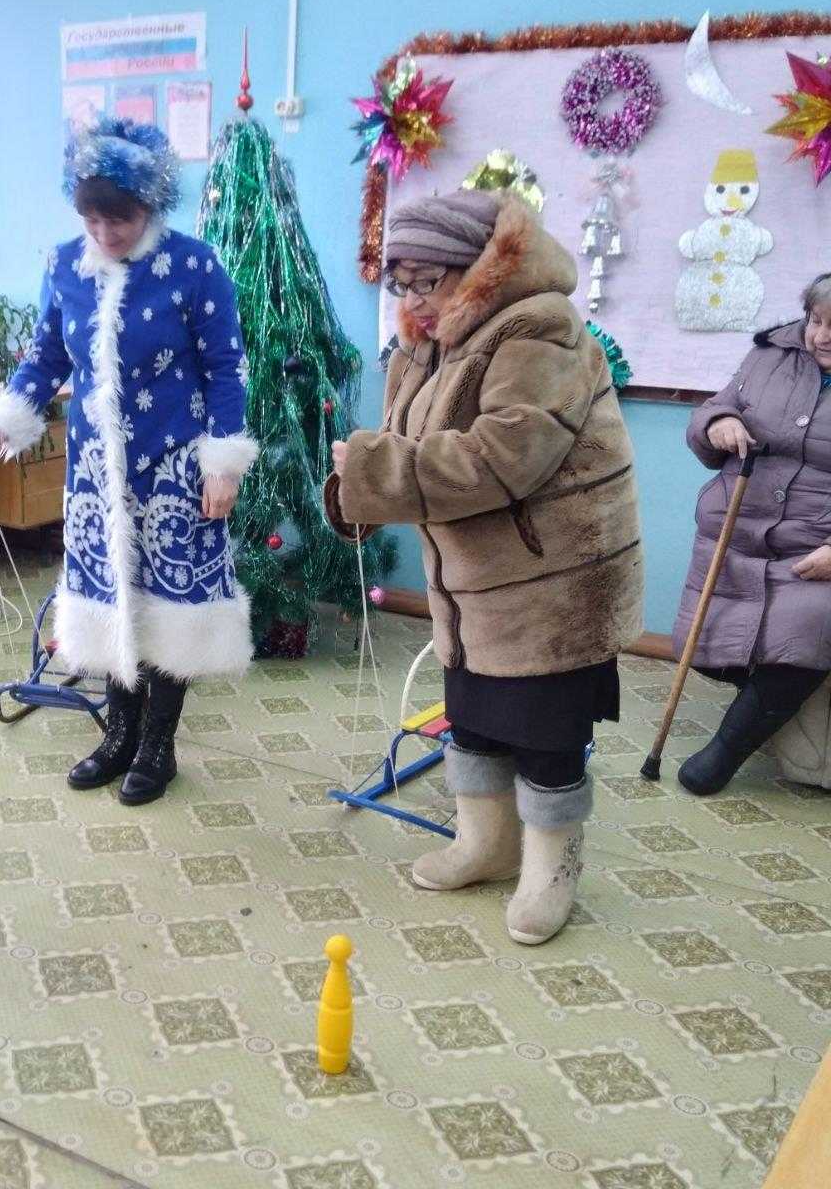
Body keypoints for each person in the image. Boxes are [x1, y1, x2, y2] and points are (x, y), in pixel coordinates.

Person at [326, 190, 643, 945]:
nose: (412, 300)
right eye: (400, 283)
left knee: (545, 735)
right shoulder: (425, 341)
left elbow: (505, 456)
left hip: (551, 585)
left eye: (427, 281)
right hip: (472, 586)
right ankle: (487, 846)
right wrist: (362, 484)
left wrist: (374, 471)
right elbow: (406, 443)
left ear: (479, 271)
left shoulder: (541, 328)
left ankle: (551, 871)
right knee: (473, 721)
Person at [0, 117, 257, 805]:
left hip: (176, 470)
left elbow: (226, 368)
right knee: (107, 603)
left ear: (150, 204)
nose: (104, 232)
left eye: (119, 218)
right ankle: (119, 735)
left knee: (170, 611)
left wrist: (223, 464)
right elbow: (45, 357)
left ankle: (158, 746)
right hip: (96, 473)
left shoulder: (194, 266)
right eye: (91, 218)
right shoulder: (65, 265)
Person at [671, 273, 831, 796]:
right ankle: (772, 711)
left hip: (815, 548)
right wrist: (717, 421)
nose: (822, 336)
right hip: (736, 529)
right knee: (712, 640)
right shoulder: (768, 356)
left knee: (807, 629)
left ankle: (724, 752)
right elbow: (714, 407)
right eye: (816, 320)